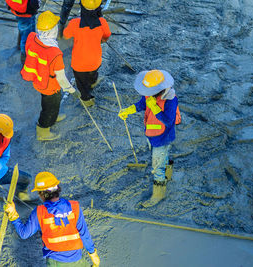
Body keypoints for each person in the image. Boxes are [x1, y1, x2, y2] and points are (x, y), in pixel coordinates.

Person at [4, 171, 100, 266]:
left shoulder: (39, 212)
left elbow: (24, 233)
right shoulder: (75, 207)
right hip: (78, 260)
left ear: (42, 194)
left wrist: (13, 215)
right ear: (58, 189)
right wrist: (93, 254)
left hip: (55, 262)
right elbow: (84, 233)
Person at [118, 70, 181, 207]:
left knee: (157, 167)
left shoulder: (170, 100)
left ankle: (158, 195)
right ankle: (168, 175)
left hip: (163, 137)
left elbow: (169, 121)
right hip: (152, 134)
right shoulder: (149, 95)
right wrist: (128, 111)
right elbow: (141, 105)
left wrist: (154, 107)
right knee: (163, 157)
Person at [21, 11, 76, 141]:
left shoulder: (32, 37)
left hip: (40, 81)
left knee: (50, 104)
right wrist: (70, 89)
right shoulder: (55, 53)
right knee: (48, 108)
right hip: (50, 86)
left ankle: (54, 116)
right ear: (52, 30)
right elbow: (61, 78)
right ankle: (43, 131)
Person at [63, 0, 111, 107]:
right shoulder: (102, 22)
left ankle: (86, 99)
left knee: (81, 83)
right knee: (92, 74)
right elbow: (106, 36)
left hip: (78, 63)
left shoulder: (75, 23)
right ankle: (93, 82)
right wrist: (100, 39)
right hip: (95, 61)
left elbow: (66, 35)